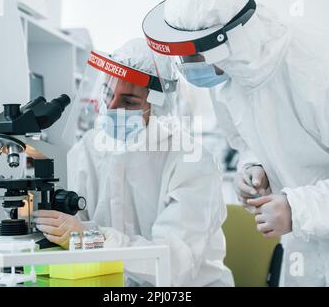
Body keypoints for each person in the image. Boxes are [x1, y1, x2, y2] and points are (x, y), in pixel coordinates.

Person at [142, 0, 329, 286]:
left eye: (192, 55)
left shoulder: (321, 69)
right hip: (303, 245)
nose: (188, 67)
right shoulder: (228, 77)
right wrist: (253, 168)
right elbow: (246, 142)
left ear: (229, 41)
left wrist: (298, 208)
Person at [33, 38, 234, 287]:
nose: (112, 108)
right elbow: (75, 225)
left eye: (128, 102)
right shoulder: (87, 149)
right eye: (108, 95)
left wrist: (91, 239)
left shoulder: (192, 161)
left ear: (159, 107)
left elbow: (172, 266)